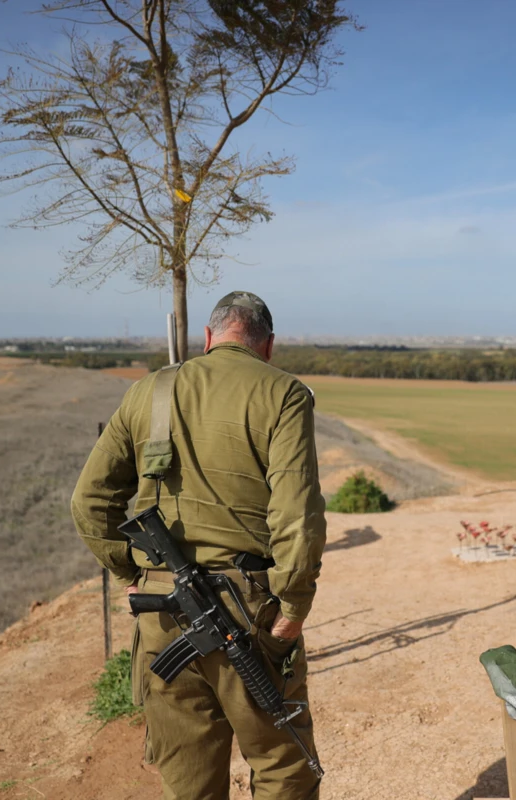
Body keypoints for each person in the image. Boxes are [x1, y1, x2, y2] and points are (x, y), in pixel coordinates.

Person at [71, 291, 325, 800]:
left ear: (208, 339)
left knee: (187, 780)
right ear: (268, 346)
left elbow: (89, 501)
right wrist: (293, 606)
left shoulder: (148, 391)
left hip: (162, 616)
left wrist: (132, 576)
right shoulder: (284, 393)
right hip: (249, 610)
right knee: (282, 765)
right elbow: (296, 514)